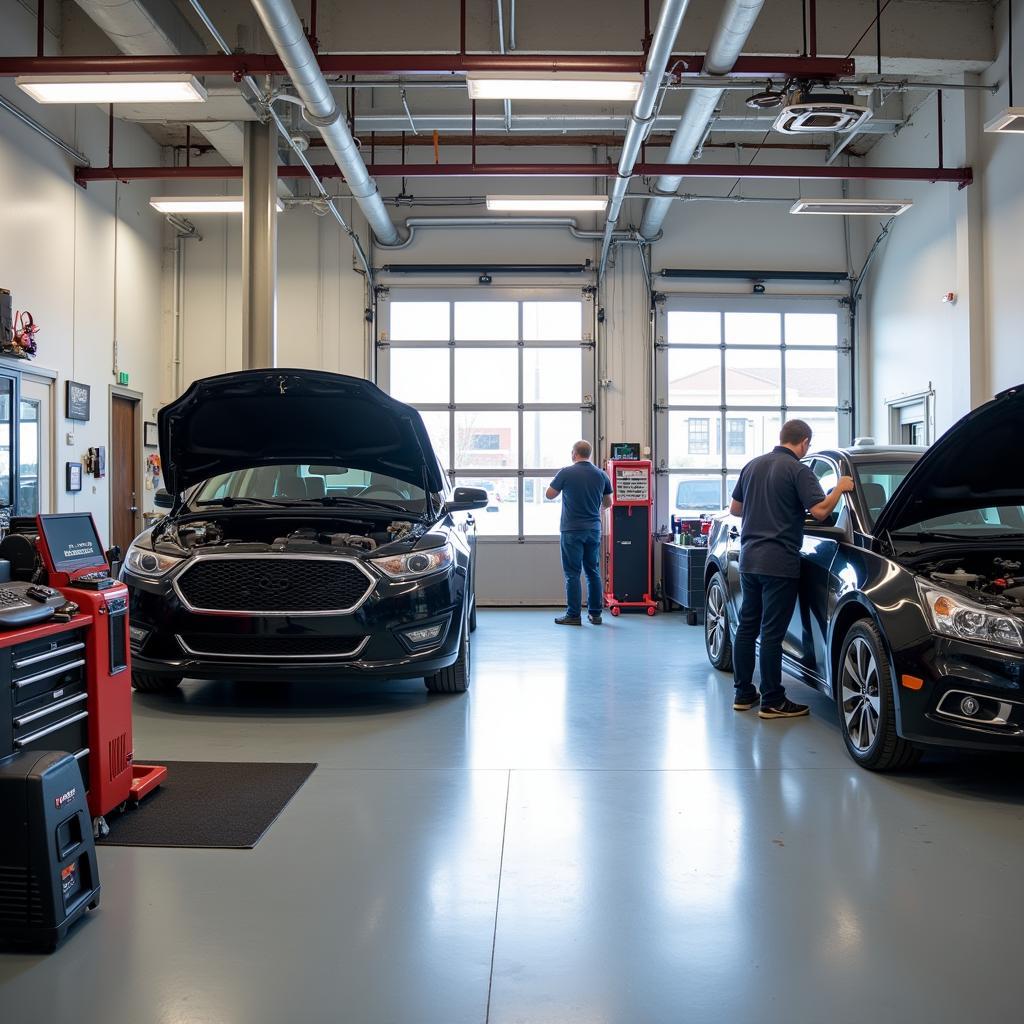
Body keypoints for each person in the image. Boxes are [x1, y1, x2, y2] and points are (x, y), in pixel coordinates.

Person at [729, 420, 854, 719]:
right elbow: (822, 512)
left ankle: (743, 694)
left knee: (747, 627)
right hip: (779, 562)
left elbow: (735, 509)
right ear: (804, 442)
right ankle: (772, 700)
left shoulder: (753, 466)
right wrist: (839, 487)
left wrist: (764, 511)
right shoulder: (798, 470)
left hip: (750, 559)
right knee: (772, 633)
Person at [546, 440, 613, 626]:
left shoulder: (566, 472)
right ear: (589, 454)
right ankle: (595, 614)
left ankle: (574, 615)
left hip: (571, 530)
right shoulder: (601, 475)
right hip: (593, 529)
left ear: (574, 453)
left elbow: (549, 494)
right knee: (593, 571)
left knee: (572, 574)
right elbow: (608, 504)